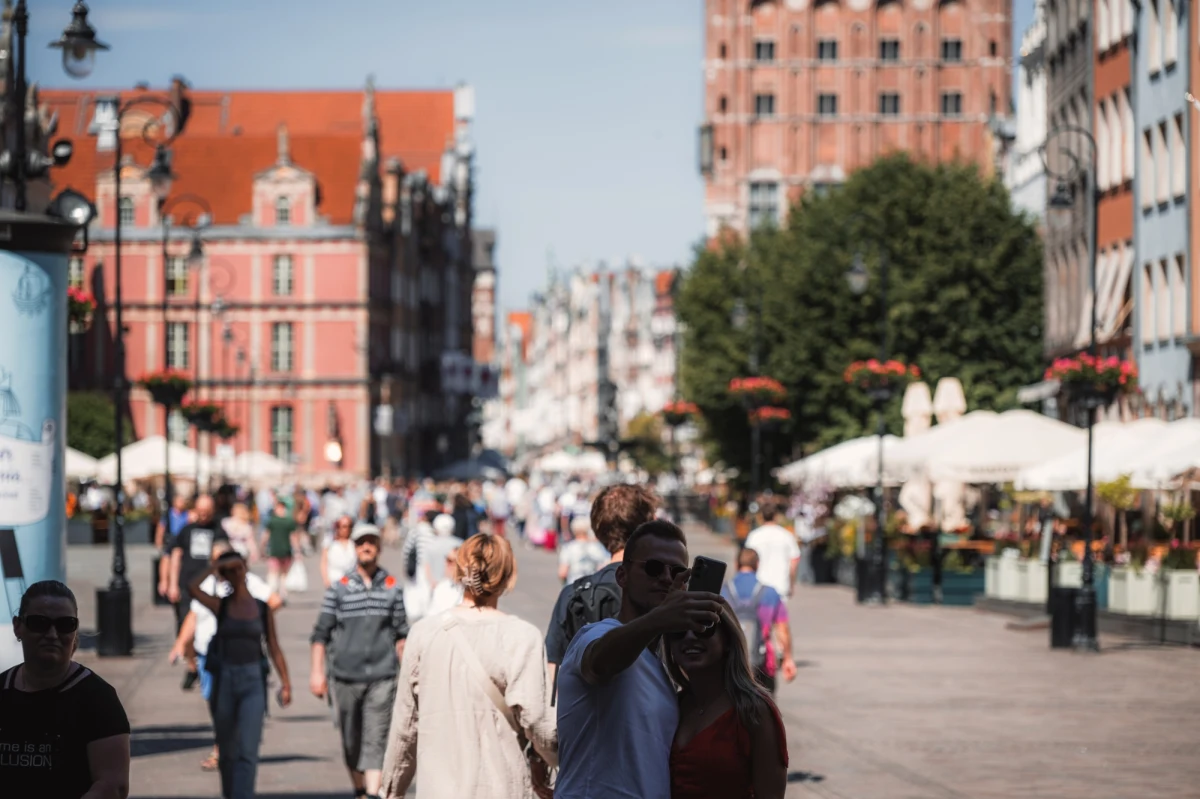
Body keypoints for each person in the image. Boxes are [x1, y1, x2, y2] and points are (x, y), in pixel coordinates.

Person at [554, 520, 723, 799]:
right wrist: (658, 619)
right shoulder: (595, 634)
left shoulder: (660, 666)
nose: (666, 578)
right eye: (654, 568)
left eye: (678, 572)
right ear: (622, 576)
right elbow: (600, 662)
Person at [381, 534, 557, 798]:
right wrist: (559, 760)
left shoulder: (424, 633)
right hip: (501, 786)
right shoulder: (521, 636)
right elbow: (536, 720)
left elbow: (406, 726)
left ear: (457, 570)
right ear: (508, 576)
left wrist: (393, 790)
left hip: (438, 788)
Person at [0, 581, 130, 799]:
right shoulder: (3, 690)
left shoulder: (97, 699)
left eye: (65, 624)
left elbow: (113, 786)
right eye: (39, 623)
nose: (52, 634)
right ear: (17, 626)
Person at [310, 523, 409, 799]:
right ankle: (360, 790)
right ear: (354, 548)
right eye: (361, 542)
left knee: (376, 738)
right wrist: (316, 673)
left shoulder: (392, 588)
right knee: (351, 740)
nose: (366, 547)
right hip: (344, 676)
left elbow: (402, 634)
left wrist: (411, 674)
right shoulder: (339, 589)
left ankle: (372, 792)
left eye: (371, 542)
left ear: (378, 548)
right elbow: (320, 634)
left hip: (382, 675)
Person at [170, 540, 281, 772]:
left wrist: (252, 622)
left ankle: (225, 750)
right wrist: (180, 644)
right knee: (217, 707)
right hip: (209, 658)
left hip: (243, 661)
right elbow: (192, 605)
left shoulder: (251, 586)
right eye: (223, 564)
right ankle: (226, 746)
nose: (229, 571)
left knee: (237, 709)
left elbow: (274, 603)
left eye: (233, 566)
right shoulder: (211, 587)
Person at [190, 550, 291, 799]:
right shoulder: (220, 605)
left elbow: (274, 647)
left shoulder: (260, 607)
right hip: (224, 681)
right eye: (230, 570)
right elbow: (192, 587)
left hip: (253, 681)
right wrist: (215, 565)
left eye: (239, 568)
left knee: (248, 749)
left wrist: (286, 683)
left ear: (245, 569)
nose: (235, 573)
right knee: (227, 750)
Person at [664, 604, 788, 799]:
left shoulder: (754, 710)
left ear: (728, 640)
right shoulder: (671, 706)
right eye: (679, 630)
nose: (689, 637)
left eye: (704, 627)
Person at [545, 484, 659, 680]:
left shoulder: (573, 593)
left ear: (598, 531)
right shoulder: (661, 589)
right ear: (647, 527)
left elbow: (554, 671)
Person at [169, 494, 228, 686]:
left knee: (207, 630)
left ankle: (202, 666)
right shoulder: (187, 530)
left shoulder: (219, 531)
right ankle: (192, 666)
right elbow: (175, 555)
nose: (203, 515)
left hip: (210, 589)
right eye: (200, 511)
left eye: (207, 511)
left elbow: (226, 557)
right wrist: (171, 582)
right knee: (185, 631)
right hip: (187, 586)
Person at [724, 548, 797, 694]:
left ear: (736, 564)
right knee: (765, 710)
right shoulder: (770, 593)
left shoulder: (722, 591)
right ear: (757, 565)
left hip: (727, 663)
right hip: (762, 664)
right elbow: (782, 629)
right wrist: (788, 659)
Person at [743, 503, 801, 600]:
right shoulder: (786, 535)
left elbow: (747, 560)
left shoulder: (754, 536)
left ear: (761, 517)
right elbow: (794, 562)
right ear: (776, 516)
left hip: (759, 585)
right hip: (781, 586)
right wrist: (791, 585)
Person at [558, 515, 609, 586]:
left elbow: (562, 573)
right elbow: (604, 568)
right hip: (592, 588)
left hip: (573, 586)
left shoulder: (568, 548)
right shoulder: (597, 547)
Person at [262, 499, 297, 601]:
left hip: (275, 551)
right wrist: (297, 550)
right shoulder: (289, 521)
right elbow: (293, 537)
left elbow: (266, 535)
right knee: (283, 574)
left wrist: (262, 547)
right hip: (284, 551)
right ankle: (282, 594)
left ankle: (273, 593)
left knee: (273, 574)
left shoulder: (272, 521)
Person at [321, 515, 358, 588]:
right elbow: (324, 562)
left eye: (349, 526)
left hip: (352, 581)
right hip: (334, 580)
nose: (347, 529)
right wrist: (326, 579)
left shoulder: (354, 543)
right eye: (344, 526)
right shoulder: (330, 544)